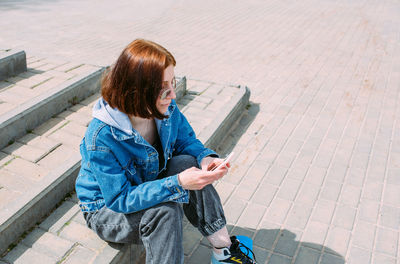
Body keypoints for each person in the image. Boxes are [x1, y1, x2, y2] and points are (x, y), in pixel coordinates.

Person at [75, 39, 256, 264]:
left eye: (173, 82)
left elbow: (186, 141)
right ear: (137, 91)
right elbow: (120, 199)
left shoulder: (165, 108)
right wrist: (178, 182)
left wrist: (205, 158)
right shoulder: (102, 136)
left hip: (144, 183)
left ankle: (223, 251)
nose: (172, 94)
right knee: (165, 211)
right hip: (106, 210)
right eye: (163, 88)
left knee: (188, 162)